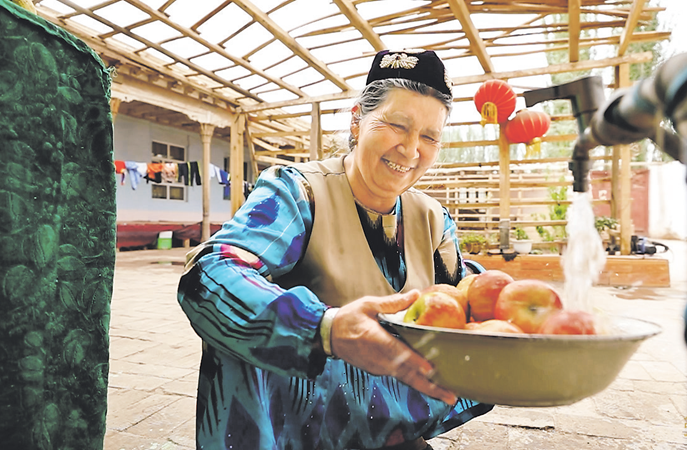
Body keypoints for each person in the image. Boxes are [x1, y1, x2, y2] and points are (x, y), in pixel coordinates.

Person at [178, 49, 493, 450]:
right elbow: (209, 274)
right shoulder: (299, 193)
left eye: (430, 137)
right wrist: (326, 329)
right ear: (357, 120)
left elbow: (467, 303)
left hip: (389, 431)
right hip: (294, 434)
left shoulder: (432, 219)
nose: (411, 149)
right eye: (397, 125)